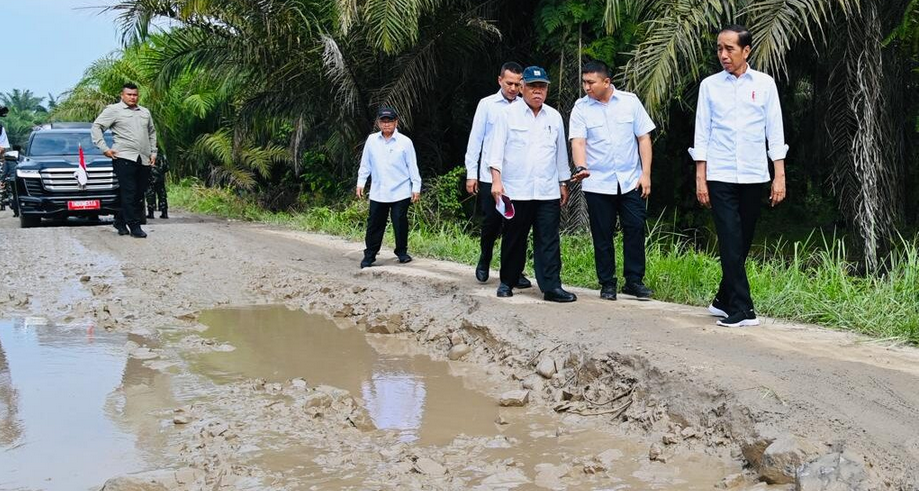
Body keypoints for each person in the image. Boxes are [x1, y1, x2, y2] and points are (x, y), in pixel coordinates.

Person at [689, 25, 788, 328]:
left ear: (746, 51)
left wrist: (779, 174)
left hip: (754, 173)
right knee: (730, 239)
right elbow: (702, 131)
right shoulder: (709, 85)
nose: (723, 54)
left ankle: (722, 299)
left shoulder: (765, 84)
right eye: (719, 48)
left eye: (729, 49)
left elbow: (774, 130)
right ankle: (744, 309)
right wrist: (700, 177)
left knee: (741, 241)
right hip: (719, 174)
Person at [487, 66, 576, 303]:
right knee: (514, 237)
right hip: (516, 189)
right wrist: (496, 181)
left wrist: (563, 183)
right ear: (523, 88)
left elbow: (559, 156)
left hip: (547, 190)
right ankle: (507, 281)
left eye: (542, 87)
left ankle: (551, 287)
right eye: (533, 87)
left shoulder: (554, 117)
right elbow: (495, 151)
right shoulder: (507, 115)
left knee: (548, 238)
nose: (538, 92)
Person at [570, 61, 656, 301]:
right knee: (602, 233)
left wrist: (646, 173)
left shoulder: (630, 102)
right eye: (584, 82)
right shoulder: (581, 108)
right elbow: (578, 141)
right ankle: (607, 283)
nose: (586, 87)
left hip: (631, 180)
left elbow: (644, 138)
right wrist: (581, 166)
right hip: (598, 182)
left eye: (591, 82)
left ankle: (634, 281)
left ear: (606, 82)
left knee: (635, 228)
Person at [464, 62, 532, 289]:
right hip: (488, 177)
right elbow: (476, 140)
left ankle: (515, 270)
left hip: (518, 178)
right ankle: (485, 259)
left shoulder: (527, 106)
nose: (513, 88)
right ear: (500, 80)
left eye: (517, 84)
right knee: (492, 223)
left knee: (518, 227)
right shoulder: (488, 105)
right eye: (509, 83)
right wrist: (471, 174)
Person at [356, 107, 422, 268]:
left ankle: (401, 252)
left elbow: (412, 165)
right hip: (379, 190)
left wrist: (416, 187)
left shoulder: (405, 142)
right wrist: (360, 182)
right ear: (378, 123)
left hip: (400, 190)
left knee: (400, 221)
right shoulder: (372, 140)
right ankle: (370, 255)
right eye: (383, 121)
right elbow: (366, 164)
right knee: (374, 224)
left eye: (389, 121)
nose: (386, 124)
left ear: (396, 122)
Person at [92, 82, 158, 238]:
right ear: (122, 95)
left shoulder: (145, 112)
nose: (132, 97)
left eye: (135, 94)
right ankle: (135, 226)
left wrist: (153, 152)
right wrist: (105, 149)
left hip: (143, 159)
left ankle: (120, 220)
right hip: (123, 157)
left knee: (139, 194)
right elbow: (97, 127)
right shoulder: (114, 110)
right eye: (129, 94)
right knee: (129, 192)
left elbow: (152, 133)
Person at [146, 152, 169, 219]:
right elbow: (166, 168)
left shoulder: (147, 155)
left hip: (150, 178)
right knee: (162, 195)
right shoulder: (162, 156)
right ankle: (164, 213)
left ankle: (151, 213)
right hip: (160, 179)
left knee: (150, 195)